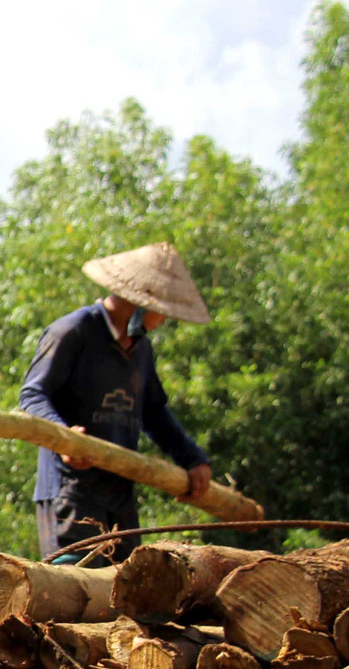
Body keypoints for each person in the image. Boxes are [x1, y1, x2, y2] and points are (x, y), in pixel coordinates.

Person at [18, 241, 215, 562]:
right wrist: (64, 439)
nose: (163, 320)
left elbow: (153, 412)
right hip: (71, 491)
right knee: (72, 591)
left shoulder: (141, 350)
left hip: (118, 492)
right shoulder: (74, 331)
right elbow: (32, 395)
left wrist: (192, 458)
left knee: (124, 591)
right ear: (138, 303)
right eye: (161, 311)